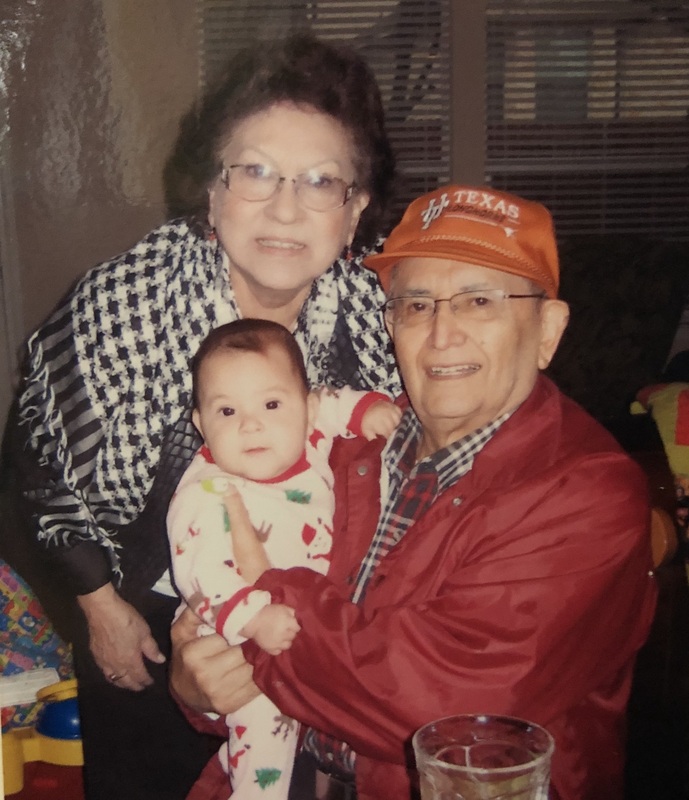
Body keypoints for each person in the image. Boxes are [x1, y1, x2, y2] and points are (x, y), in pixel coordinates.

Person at [6, 32, 401, 800]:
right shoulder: (124, 304)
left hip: (325, 620)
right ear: (212, 193)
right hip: (151, 624)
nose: (285, 208)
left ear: (353, 211)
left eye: (321, 181)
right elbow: (37, 465)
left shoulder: (379, 310)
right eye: (254, 172)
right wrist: (101, 610)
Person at [170, 184, 658, 800]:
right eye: (418, 305)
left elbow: (441, 707)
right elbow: (219, 637)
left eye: (479, 300)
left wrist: (264, 601)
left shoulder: (588, 493)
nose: (442, 334)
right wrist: (201, 683)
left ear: (547, 331)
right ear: (391, 324)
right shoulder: (344, 449)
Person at [168, 318, 400, 799]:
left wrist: (367, 410)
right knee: (263, 734)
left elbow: (334, 404)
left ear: (305, 407)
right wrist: (254, 619)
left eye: (271, 404)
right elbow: (201, 574)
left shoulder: (307, 437)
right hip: (235, 627)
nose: (251, 424)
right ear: (200, 424)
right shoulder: (207, 491)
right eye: (226, 411)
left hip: (309, 622)